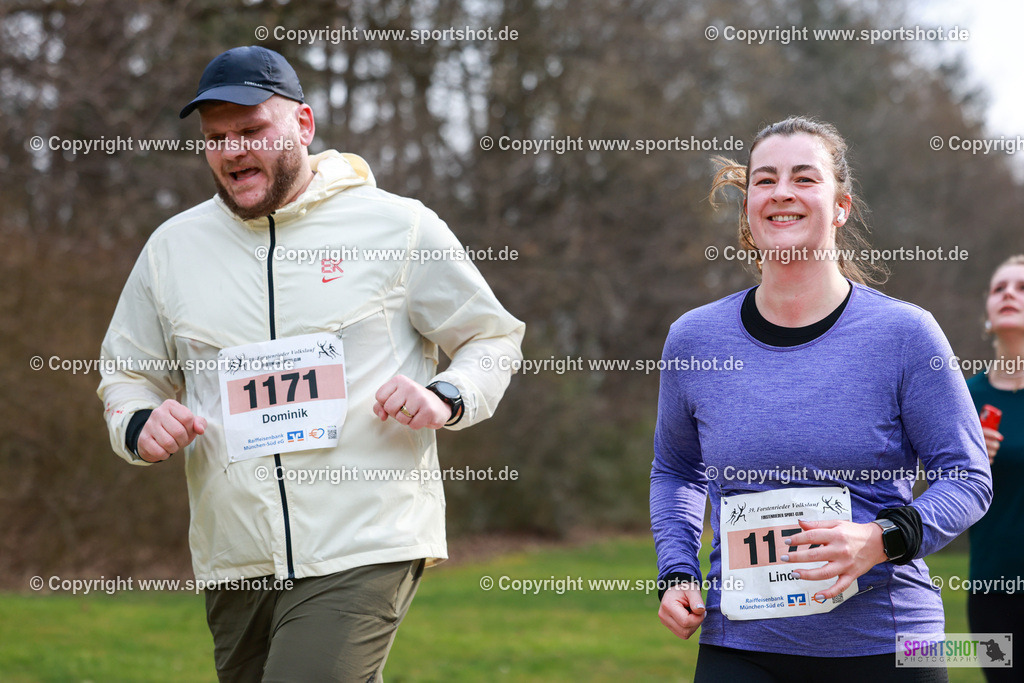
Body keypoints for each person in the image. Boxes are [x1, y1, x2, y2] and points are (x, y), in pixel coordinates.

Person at [97, 45, 524, 682]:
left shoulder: (397, 228)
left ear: (303, 124)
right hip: (236, 556)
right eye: (215, 139)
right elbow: (127, 375)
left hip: (365, 540)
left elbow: (491, 337)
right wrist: (139, 425)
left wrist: (447, 396)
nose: (232, 151)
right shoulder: (172, 250)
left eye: (251, 131)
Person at [650, 116, 992, 682]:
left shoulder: (906, 335)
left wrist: (882, 538)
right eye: (765, 180)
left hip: (890, 645)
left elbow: (967, 476)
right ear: (748, 206)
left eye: (804, 178)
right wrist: (678, 571)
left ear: (840, 207)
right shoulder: (694, 340)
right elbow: (676, 470)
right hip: (741, 646)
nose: (782, 191)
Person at [966, 255, 1024, 683]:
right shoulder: (962, 397)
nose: (1008, 294)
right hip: (991, 591)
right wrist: (967, 465)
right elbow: (927, 494)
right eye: (999, 288)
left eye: (1021, 288)